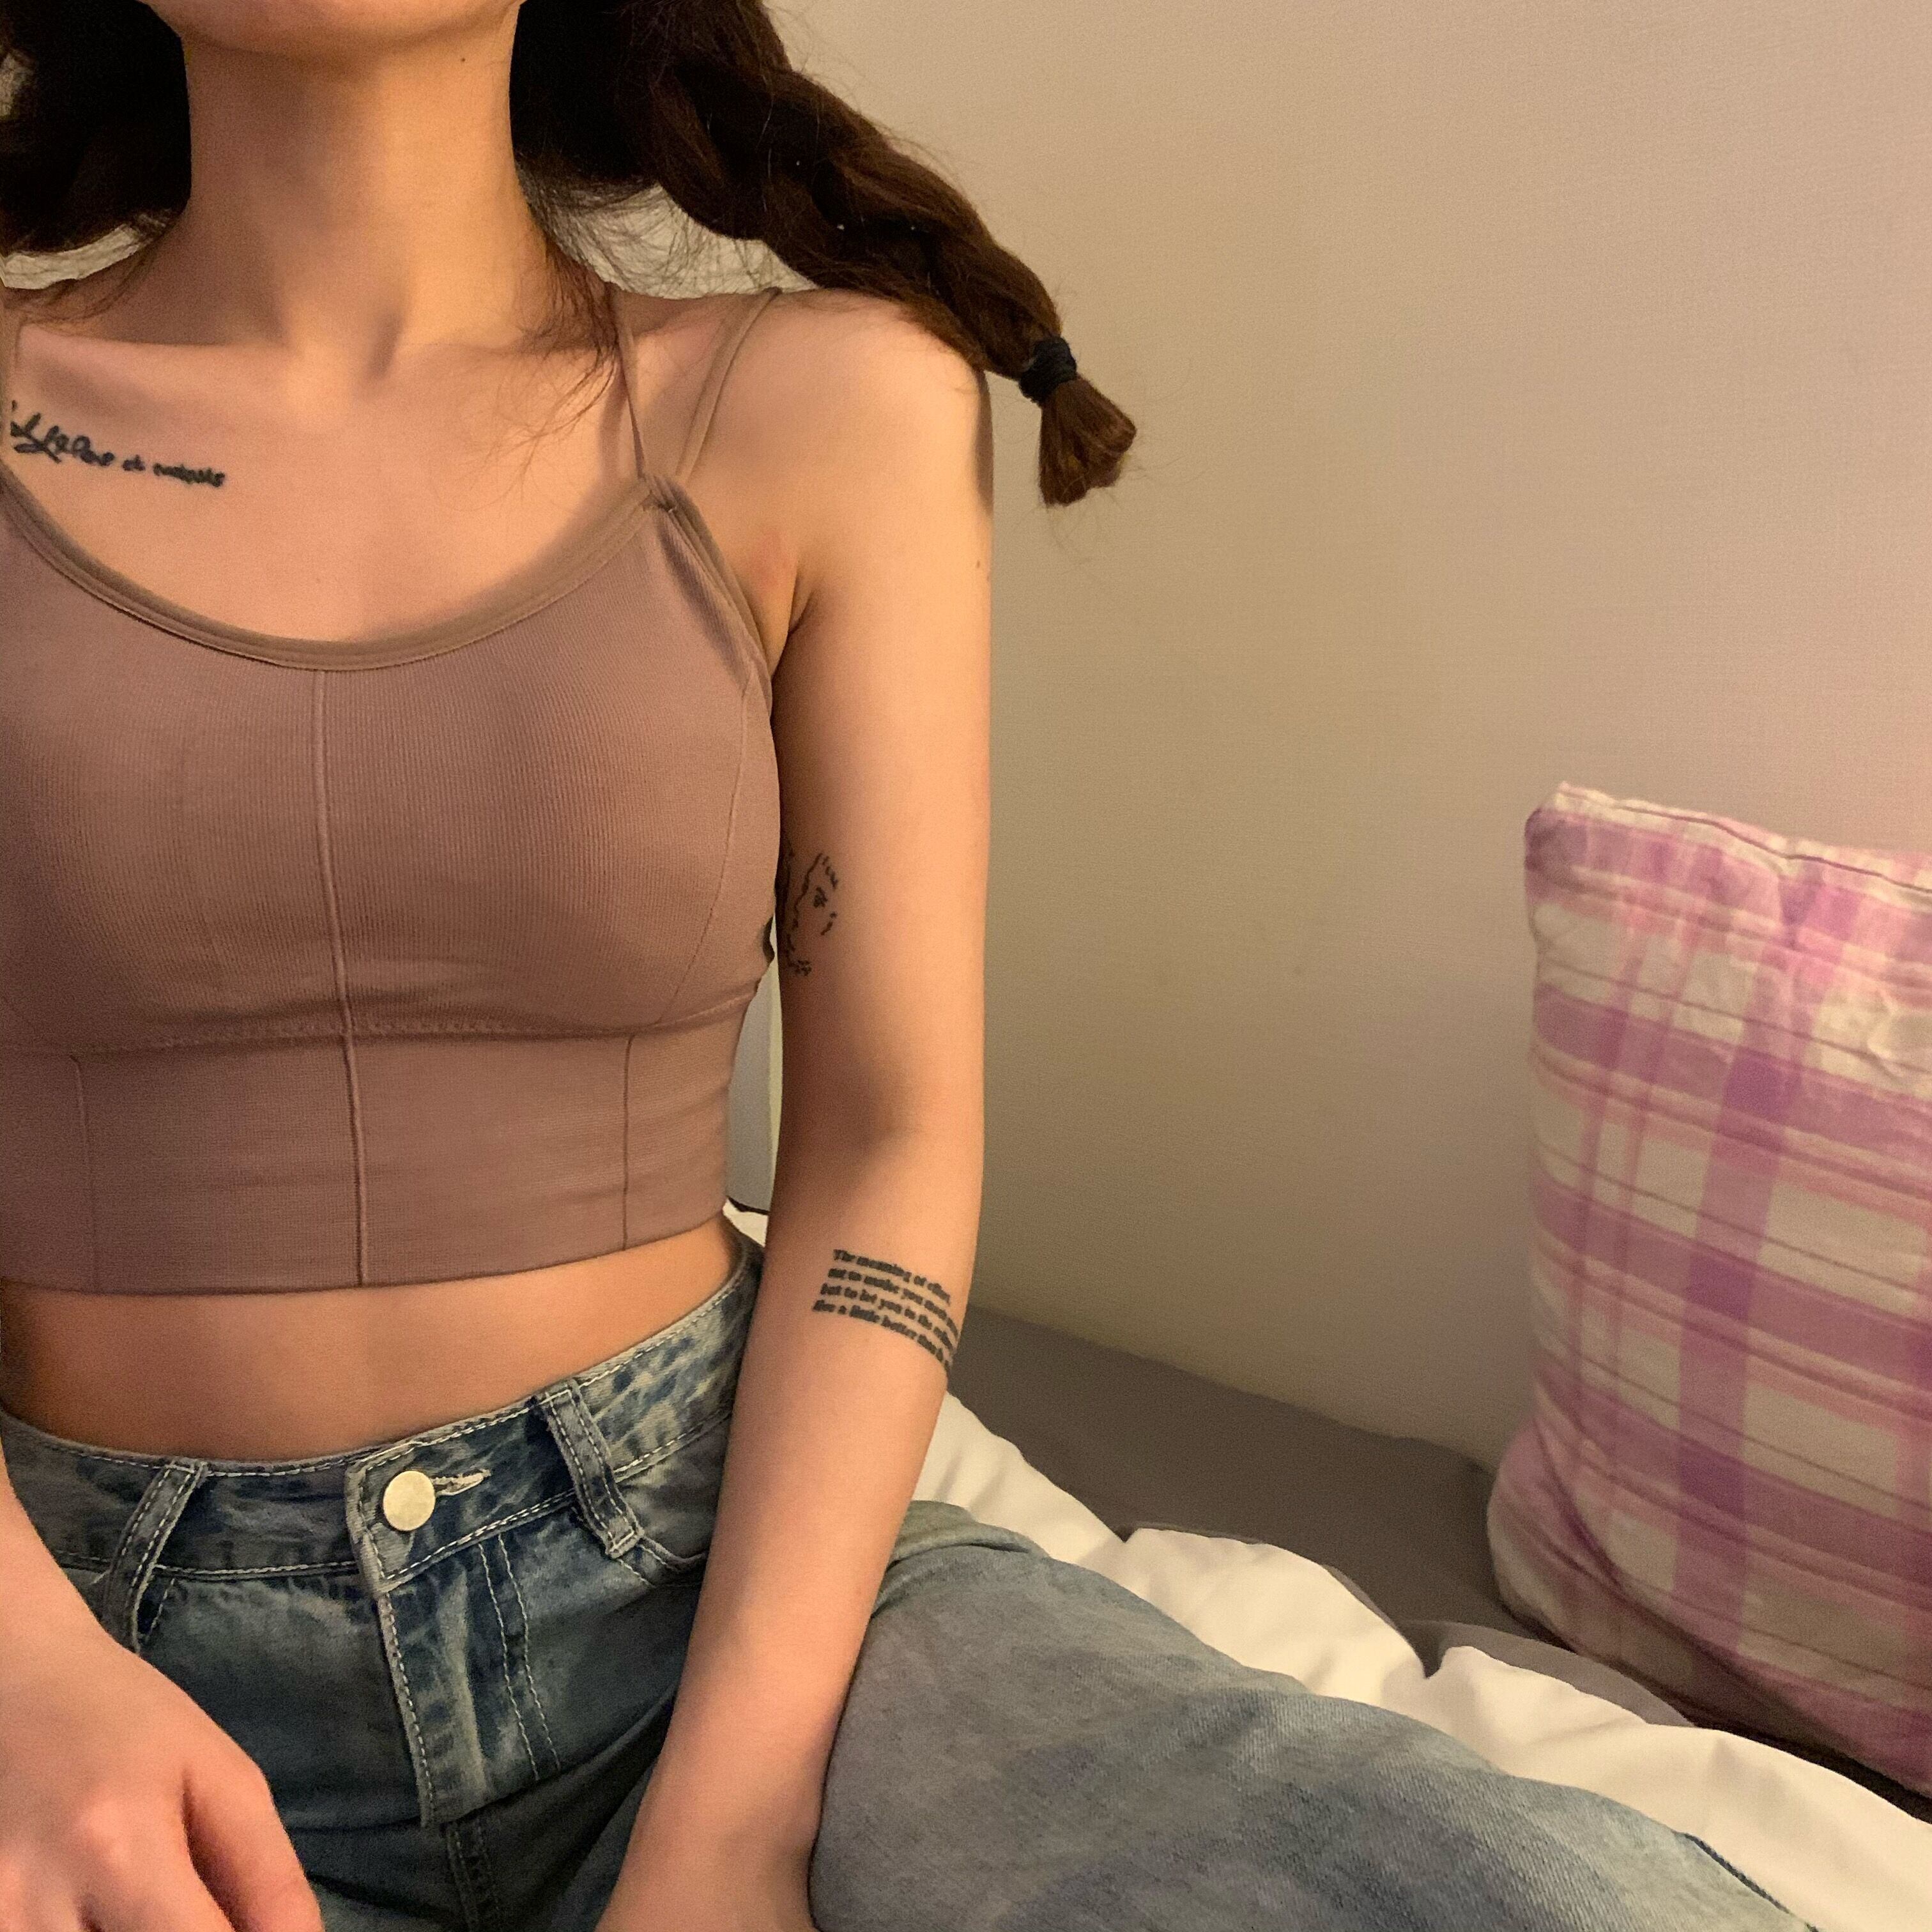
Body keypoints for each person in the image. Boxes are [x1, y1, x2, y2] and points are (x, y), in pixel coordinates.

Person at [0, 6, 1810, 1930]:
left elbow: (888, 1136)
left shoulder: (832, 404)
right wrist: (24, 1675)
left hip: (722, 1598)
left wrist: (733, 1826)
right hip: (81, 1642)